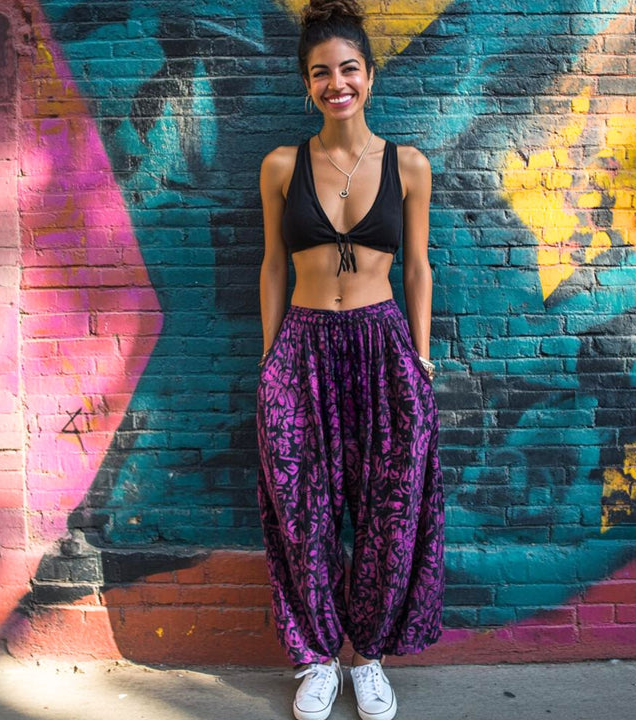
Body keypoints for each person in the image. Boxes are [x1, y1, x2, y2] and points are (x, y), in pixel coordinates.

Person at [256, 2, 445, 719]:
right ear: (307, 83)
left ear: (369, 74)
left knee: (386, 513)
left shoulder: (409, 165)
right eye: (320, 73)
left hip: (383, 347)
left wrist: (422, 360)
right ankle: (316, 659)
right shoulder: (282, 166)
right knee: (301, 510)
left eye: (348, 69)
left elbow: (419, 269)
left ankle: (366, 656)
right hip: (301, 348)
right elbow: (274, 267)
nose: (336, 83)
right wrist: (269, 360)